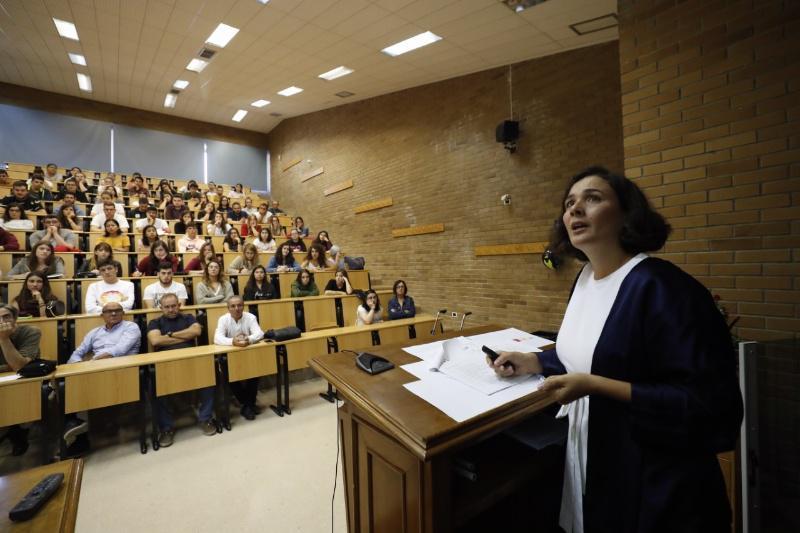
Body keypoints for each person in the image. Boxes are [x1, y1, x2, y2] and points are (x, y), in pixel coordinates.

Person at [486, 166, 743, 533]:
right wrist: (533, 361)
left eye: (592, 198)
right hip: (592, 464)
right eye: (569, 203)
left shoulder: (662, 288)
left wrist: (595, 387)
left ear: (627, 213)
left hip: (656, 489)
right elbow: (592, 354)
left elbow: (711, 406)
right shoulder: (585, 279)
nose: (575, 209)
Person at [64, 302, 141, 448]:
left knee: (80, 385)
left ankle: (79, 429)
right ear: (102, 315)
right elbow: (78, 352)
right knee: (70, 383)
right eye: (109, 311)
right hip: (96, 369)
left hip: (124, 368)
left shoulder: (131, 327)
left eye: (117, 310)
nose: (113, 314)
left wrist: (93, 361)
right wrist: (75, 365)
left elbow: (120, 349)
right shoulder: (94, 332)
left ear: (123, 313)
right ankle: (78, 431)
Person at [146, 293, 216, 445]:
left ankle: (206, 419)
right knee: (155, 387)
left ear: (178, 305)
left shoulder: (189, 318)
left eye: (174, 306)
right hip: (165, 362)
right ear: (161, 307)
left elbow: (196, 332)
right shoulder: (154, 322)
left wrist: (170, 335)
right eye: (167, 307)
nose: (171, 309)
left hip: (190, 359)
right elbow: (156, 340)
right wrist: (185, 336)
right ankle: (166, 428)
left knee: (208, 377)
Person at [0, 305, 42, 455]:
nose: (2, 321)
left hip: (24, 383)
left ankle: (17, 431)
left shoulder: (30, 332)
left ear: (15, 319)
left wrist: (3, 339)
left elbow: (19, 366)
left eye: (6, 317)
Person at [213, 296, 264, 420]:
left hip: (248, 354)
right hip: (230, 357)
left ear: (243, 305)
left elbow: (259, 333)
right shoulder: (223, 319)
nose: (237, 308)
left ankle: (247, 405)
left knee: (255, 372)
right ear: (228, 308)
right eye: (233, 306)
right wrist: (232, 341)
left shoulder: (250, 317)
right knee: (229, 376)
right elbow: (217, 338)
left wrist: (249, 339)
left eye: (240, 305)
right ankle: (249, 404)